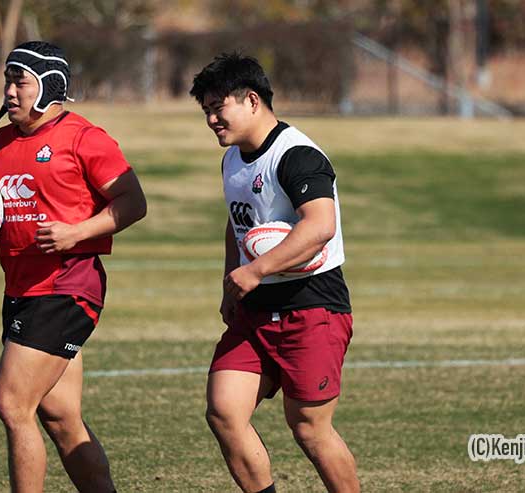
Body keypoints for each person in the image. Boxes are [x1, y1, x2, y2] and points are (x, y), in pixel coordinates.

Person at [0, 41, 146, 493]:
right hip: (21, 290)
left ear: (49, 86)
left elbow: (133, 203)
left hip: (68, 286)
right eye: (7, 80)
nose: (9, 91)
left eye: (19, 81)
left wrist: (77, 232)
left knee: (12, 403)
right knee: (61, 418)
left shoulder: (85, 138)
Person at [190, 53, 360, 493]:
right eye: (206, 110)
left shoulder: (297, 155)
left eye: (217, 107)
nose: (211, 119)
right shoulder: (232, 160)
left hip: (311, 307)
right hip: (256, 309)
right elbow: (238, 222)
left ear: (251, 100)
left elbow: (321, 225)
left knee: (309, 429)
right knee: (224, 412)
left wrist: (257, 270)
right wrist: (232, 280)